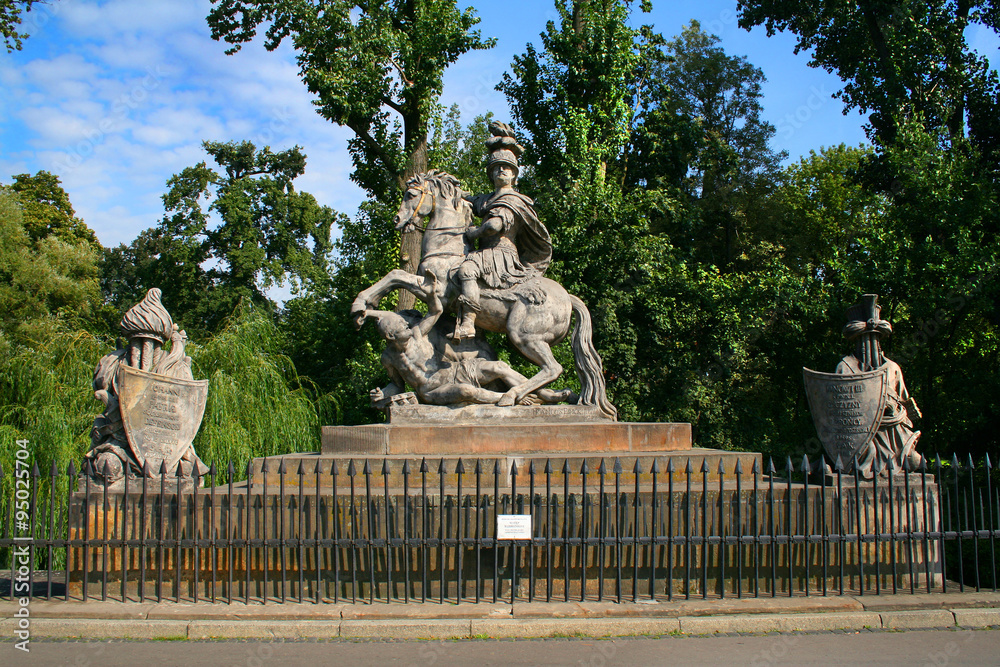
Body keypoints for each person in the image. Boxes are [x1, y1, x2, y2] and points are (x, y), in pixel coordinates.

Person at [366, 276, 575, 407]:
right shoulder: (388, 358)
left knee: (500, 366)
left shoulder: (418, 334)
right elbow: (396, 385)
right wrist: (382, 393)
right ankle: (511, 398)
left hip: (455, 371)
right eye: (401, 327)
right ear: (390, 336)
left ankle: (541, 392)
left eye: (406, 324)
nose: (407, 327)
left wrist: (430, 295)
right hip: (432, 390)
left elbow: (436, 311)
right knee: (467, 392)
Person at [452, 122, 552, 339]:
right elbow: (469, 199)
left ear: (514, 175)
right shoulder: (487, 199)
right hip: (486, 253)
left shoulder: (513, 199)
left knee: (467, 270)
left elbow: (494, 226)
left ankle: (469, 323)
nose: (501, 170)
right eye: (496, 167)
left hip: (501, 254)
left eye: (506, 168)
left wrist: (474, 233)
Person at [835, 295, 922, 476]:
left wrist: (907, 409)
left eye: (874, 337)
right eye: (864, 338)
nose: (869, 343)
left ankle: (898, 457)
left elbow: (903, 398)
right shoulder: (846, 366)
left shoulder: (892, 367)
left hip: (894, 429)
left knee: (914, 461)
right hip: (865, 433)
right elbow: (841, 406)